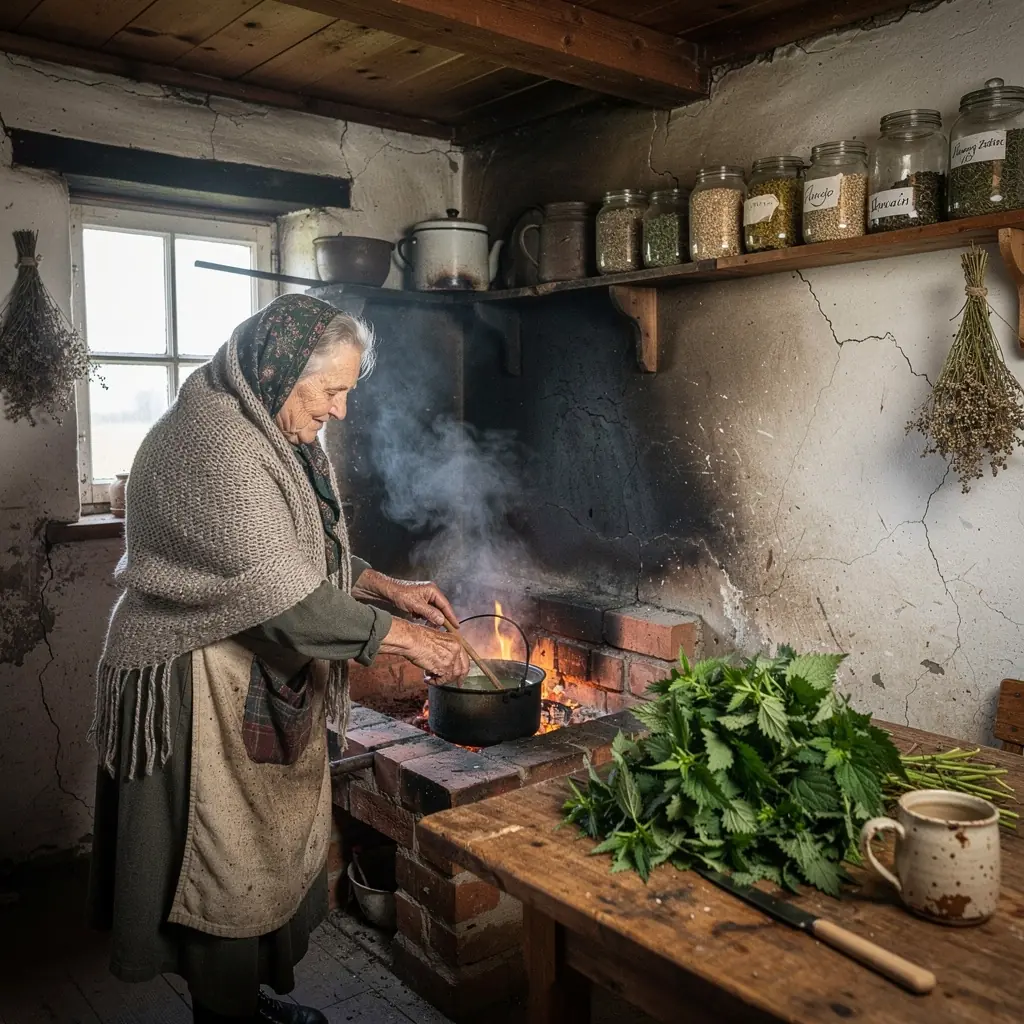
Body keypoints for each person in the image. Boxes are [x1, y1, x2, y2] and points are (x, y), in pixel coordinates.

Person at [88, 294, 470, 1024]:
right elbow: (285, 601)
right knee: (214, 858)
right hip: (192, 678)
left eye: (347, 392)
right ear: (283, 370)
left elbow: (298, 552)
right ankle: (223, 1014)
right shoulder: (217, 448)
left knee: (243, 857)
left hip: (240, 669)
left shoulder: (268, 423)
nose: (341, 411)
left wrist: (389, 587)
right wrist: (413, 643)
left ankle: (236, 1005)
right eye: (331, 391)